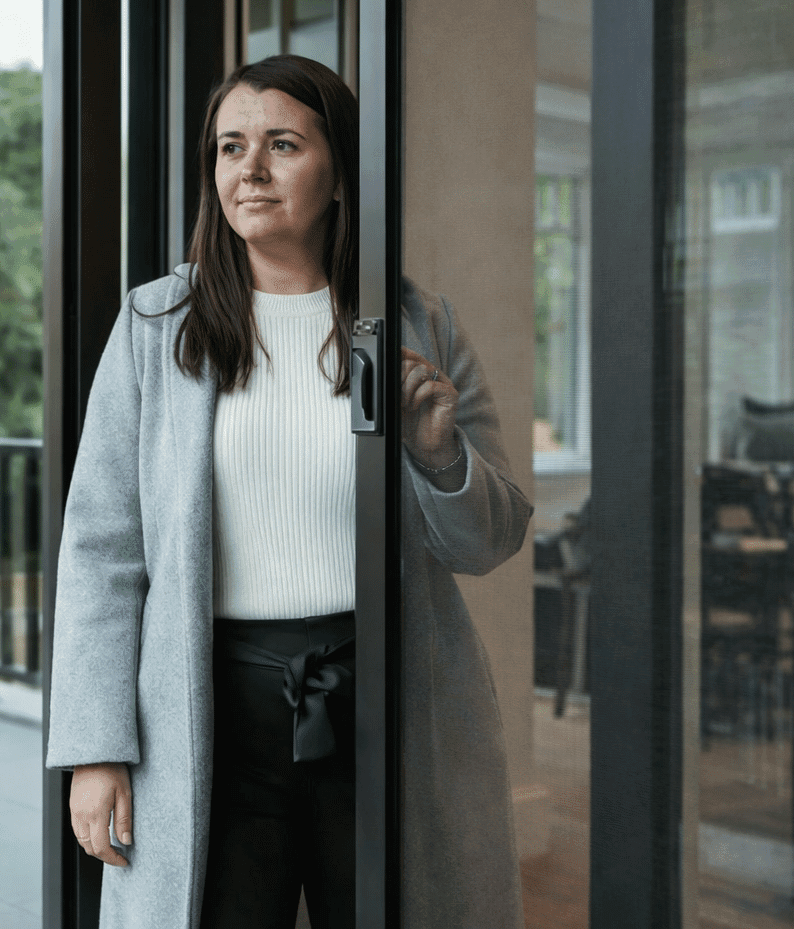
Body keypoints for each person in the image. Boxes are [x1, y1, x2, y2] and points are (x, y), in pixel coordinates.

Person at [45, 54, 532, 929]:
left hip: (387, 699)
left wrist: (437, 453)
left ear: (339, 170)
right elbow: (101, 551)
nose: (250, 170)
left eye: (282, 144)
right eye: (231, 148)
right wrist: (94, 751)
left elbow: (489, 542)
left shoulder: (420, 324)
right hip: (205, 712)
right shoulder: (157, 328)